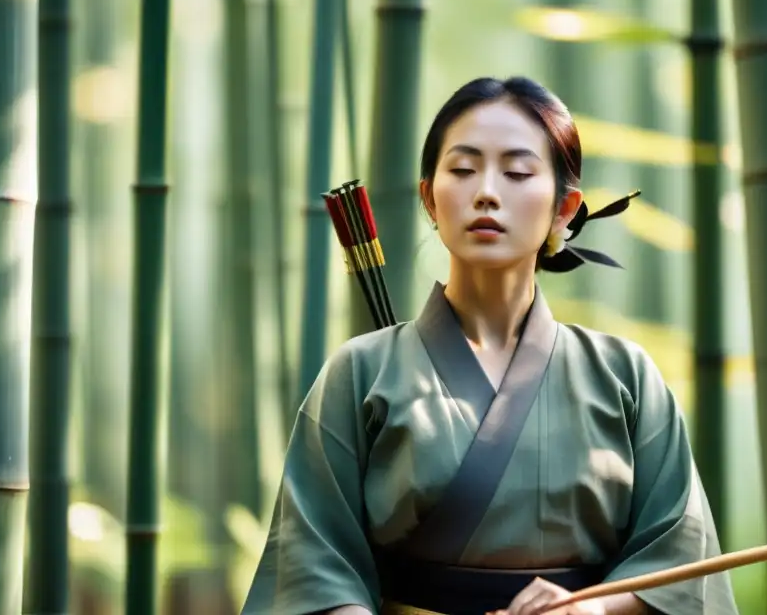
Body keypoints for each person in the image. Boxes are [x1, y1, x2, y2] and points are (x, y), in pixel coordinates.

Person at [241, 76, 739, 615]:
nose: (486, 191)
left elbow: (681, 559)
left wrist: (589, 609)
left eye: (518, 172)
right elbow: (312, 565)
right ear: (429, 197)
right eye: (462, 168)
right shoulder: (359, 372)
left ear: (564, 209)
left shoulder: (626, 376)